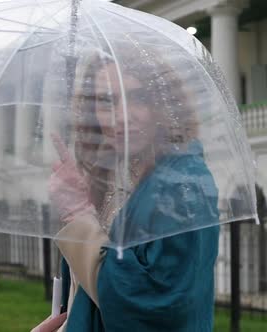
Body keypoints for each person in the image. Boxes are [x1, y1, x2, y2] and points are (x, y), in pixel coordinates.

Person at [33, 45, 220, 332]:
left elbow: (146, 305)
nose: (121, 116)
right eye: (106, 101)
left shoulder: (182, 185)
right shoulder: (111, 178)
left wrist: (78, 216)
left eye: (136, 98)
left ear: (162, 103)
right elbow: (89, 296)